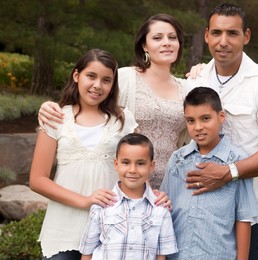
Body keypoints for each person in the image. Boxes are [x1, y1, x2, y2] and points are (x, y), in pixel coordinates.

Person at [185, 3, 258, 260]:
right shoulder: (195, 80)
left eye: (232, 33)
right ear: (206, 35)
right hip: (195, 212)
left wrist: (229, 173)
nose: (223, 42)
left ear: (246, 36)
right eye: (216, 33)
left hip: (243, 217)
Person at [38, 14, 189, 189]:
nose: (166, 42)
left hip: (172, 185)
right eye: (157, 37)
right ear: (144, 45)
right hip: (123, 186)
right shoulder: (124, 78)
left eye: (172, 37)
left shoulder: (188, 88)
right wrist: (48, 107)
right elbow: (88, 99)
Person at [29, 49, 138, 260]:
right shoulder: (56, 117)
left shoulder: (123, 120)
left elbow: (135, 169)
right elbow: (37, 180)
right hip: (63, 229)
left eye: (106, 80)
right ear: (76, 76)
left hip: (110, 230)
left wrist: (153, 197)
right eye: (91, 76)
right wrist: (85, 201)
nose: (98, 85)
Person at [160, 87, 258, 260]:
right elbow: (164, 211)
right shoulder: (177, 159)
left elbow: (243, 218)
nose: (198, 127)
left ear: (221, 117)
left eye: (205, 119)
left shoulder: (237, 161)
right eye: (191, 121)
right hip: (177, 258)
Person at [79, 133, 177, 260]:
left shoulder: (161, 209)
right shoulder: (102, 205)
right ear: (116, 164)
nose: (132, 170)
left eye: (140, 163)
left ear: (151, 166)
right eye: (125, 162)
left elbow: (161, 257)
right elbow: (87, 253)